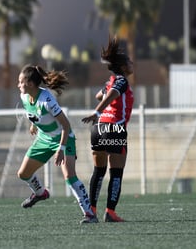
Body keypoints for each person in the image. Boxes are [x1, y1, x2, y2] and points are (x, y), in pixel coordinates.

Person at [17, 64, 97, 224]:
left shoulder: (47, 100)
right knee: (23, 174)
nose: (18, 85)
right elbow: (33, 113)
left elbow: (66, 126)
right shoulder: (25, 97)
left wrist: (60, 148)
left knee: (69, 176)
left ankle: (90, 214)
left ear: (30, 84)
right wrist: (34, 124)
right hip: (43, 139)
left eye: (20, 82)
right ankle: (40, 193)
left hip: (63, 138)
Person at [81, 36, 134, 222]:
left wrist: (100, 110)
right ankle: (110, 213)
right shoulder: (121, 81)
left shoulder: (109, 81)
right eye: (129, 61)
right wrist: (97, 111)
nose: (132, 63)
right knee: (116, 172)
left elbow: (100, 94)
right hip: (115, 129)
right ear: (122, 66)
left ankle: (91, 212)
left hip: (98, 128)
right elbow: (111, 95)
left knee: (98, 171)